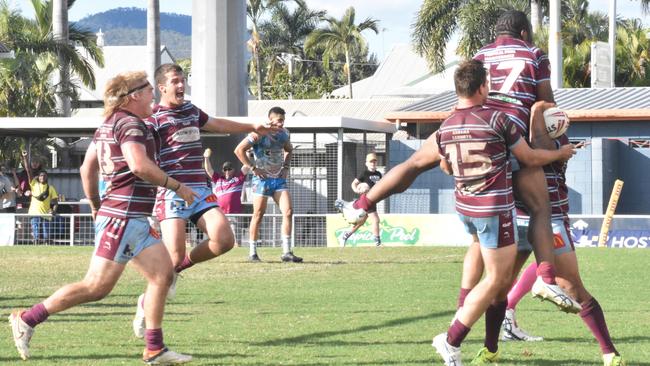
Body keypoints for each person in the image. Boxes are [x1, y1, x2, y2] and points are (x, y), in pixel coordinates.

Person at [338, 60, 575, 366]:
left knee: (495, 278)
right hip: (493, 209)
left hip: (466, 208)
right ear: (481, 87)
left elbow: (445, 165)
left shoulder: (447, 125)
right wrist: (559, 152)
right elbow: (528, 157)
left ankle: (488, 347)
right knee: (495, 281)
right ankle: (451, 339)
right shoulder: (497, 119)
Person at [9, 71, 196, 364]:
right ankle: (27, 318)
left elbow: (87, 169)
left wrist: (96, 204)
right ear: (134, 95)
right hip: (123, 216)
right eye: (149, 90)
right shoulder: (132, 124)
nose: (152, 96)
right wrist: (177, 186)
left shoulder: (109, 123)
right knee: (95, 287)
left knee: (163, 274)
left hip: (130, 217)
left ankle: (154, 348)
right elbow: (139, 166)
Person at [465, 114, 626, 365]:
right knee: (498, 287)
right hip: (516, 217)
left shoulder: (554, 142)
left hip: (551, 220)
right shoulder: (511, 132)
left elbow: (535, 147)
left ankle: (610, 353)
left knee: (572, 286)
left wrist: (540, 110)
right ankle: (490, 350)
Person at [133, 63, 278, 333]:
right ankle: (146, 302)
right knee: (171, 258)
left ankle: (176, 271)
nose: (181, 85)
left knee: (224, 240)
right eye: (175, 81)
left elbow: (216, 123)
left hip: (200, 189)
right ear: (162, 88)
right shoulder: (151, 119)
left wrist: (252, 125)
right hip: (172, 191)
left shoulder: (190, 110)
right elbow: (138, 157)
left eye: (183, 79)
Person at [467, 10, 580, 313]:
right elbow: (545, 104)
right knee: (542, 211)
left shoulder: (479, 55)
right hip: (515, 144)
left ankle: (466, 311)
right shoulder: (533, 53)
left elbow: (468, 97)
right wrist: (557, 133)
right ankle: (544, 279)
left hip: (477, 142)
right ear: (525, 34)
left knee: (484, 247)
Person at [234, 106, 302, 263]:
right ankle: (252, 252)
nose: (281, 124)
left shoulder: (284, 134)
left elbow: (289, 150)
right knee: (258, 215)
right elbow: (239, 150)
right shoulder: (258, 133)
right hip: (262, 180)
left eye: (283, 121)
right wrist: (253, 168)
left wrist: (286, 167)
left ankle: (286, 252)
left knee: (288, 211)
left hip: (278, 179)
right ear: (270, 120)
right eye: (278, 121)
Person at [341, 152, 383, 246]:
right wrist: (356, 190)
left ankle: (346, 235)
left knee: (361, 222)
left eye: (375, 162)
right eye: (371, 162)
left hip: (373, 200)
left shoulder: (379, 174)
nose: (373, 163)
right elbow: (353, 184)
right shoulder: (364, 173)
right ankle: (377, 242)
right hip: (367, 199)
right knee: (375, 220)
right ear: (366, 163)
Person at [203, 148, 250, 214]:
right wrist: (206, 158)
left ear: (233, 170)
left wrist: (248, 152)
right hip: (221, 214)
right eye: (225, 169)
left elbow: (246, 166)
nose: (227, 171)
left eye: (229, 169)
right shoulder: (218, 179)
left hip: (235, 214)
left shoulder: (238, 178)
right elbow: (209, 170)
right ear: (223, 171)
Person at [27, 170, 58, 244]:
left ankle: (46, 251)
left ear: (47, 177)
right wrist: (25, 158)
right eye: (41, 175)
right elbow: (28, 170)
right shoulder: (34, 184)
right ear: (38, 177)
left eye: (44, 175)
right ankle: (35, 249)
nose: (42, 177)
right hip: (34, 213)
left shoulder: (51, 188)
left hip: (46, 214)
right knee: (36, 236)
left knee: (46, 236)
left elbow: (55, 202)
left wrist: (54, 211)